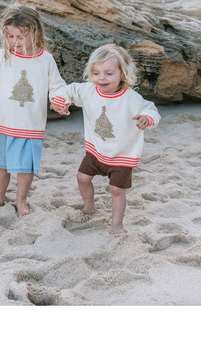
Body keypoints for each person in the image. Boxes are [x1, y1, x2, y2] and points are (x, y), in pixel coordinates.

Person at [58, 43, 160, 235]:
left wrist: (147, 119)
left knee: (116, 190)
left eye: (109, 73)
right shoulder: (89, 91)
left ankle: (117, 225)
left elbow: (151, 109)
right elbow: (70, 90)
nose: (101, 78)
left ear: (122, 73)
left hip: (122, 154)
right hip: (96, 151)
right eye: (96, 73)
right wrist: (60, 100)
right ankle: (89, 207)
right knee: (82, 178)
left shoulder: (131, 98)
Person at [0, 2, 67, 216]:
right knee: (2, 165)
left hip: (30, 123)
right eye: (10, 36)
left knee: (25, 167)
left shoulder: (45, 60)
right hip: (3, 122)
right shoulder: (1, 57)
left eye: (21, 36)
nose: (15, 42)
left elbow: (57, 86)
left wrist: (59, 100)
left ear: (35, 33)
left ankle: (21, 200)